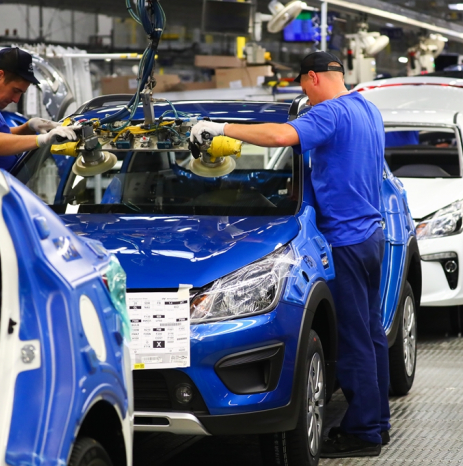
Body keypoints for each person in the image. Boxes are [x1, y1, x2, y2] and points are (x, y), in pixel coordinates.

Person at [190, 51, 390, 458]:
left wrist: (220, 128)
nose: (306, 98)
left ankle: (364, 432)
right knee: (370, 335)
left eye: (303, 88)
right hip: (372, 236)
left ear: (313, 77)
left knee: (354, 340)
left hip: (349, 241)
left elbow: (282, 136)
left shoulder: (330, 113)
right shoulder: (367, 110)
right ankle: (378, 422)